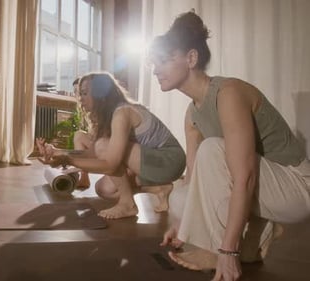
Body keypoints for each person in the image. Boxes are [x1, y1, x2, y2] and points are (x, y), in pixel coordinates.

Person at [149, 11, 310, 281]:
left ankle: (220, 248)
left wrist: (227, 250)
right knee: (179, 197)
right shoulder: (192, 114)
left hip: (297, 187)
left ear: (191, 58)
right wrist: (181, 225)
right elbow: (193, 178)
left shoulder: (228, 93)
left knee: (212, 150)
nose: (155, 70)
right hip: (265, 186)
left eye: (163, 60)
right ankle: (259, 232)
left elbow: (244, 177)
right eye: (153, 63)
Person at [36, 71, 186, 219]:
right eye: (79, 93)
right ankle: (160, 189)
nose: (80, 98)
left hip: (170, 161)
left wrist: (67, 160)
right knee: (104, 189)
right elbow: (92, 154)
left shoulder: (122, 113)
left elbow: (110, 164)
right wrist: (58, 153)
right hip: (150, 162)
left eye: (84, 93)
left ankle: (128, 204)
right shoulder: (110, 115)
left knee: (102, 145)